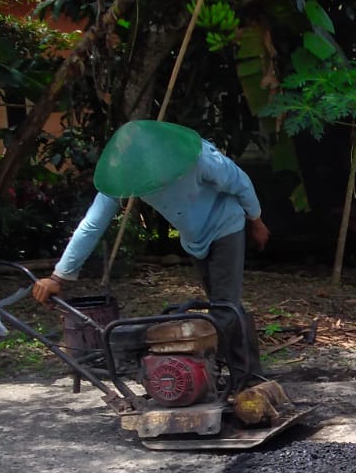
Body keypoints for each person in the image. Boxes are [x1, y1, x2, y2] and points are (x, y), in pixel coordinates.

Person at [32, 120, 270, 374]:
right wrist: (58, 276)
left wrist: (256, 221)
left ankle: (232, 375)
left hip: (226, 225)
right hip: (193, 238)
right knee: (223, 304)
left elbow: (240, 182)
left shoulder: (198, 157)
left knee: (224, 307)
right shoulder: (125, 175)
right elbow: (92, 225)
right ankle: (237, 371)